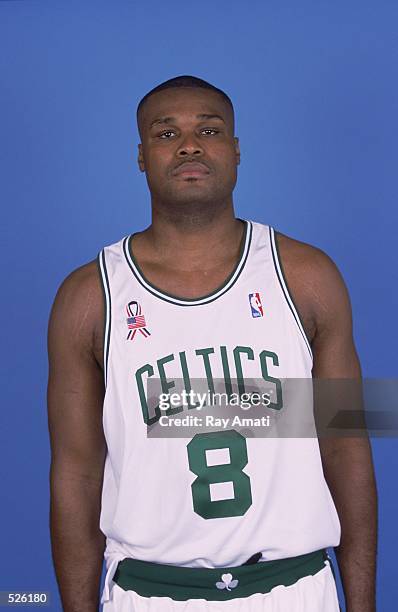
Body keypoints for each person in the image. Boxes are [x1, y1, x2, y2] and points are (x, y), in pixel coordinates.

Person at [47, 75, 377, 611]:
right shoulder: (89, 296)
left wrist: (363, 604)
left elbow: (348, 446)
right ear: (140, 156)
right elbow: (76, 472)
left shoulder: (309, 276)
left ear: (237, 149)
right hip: (149, 592)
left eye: (209, 129)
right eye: (165, 133)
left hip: (294, 588)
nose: (190, 145)